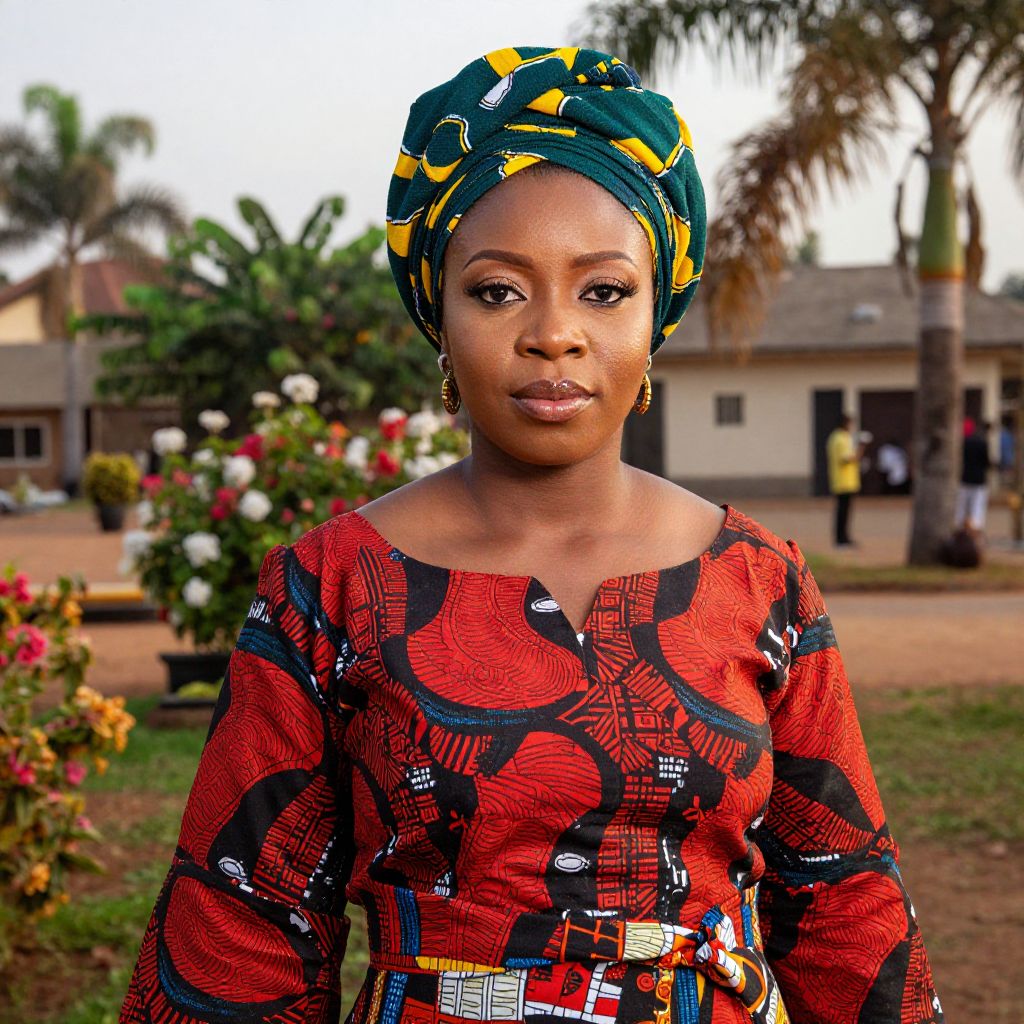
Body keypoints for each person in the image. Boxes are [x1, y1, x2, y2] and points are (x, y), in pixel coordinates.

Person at [120, 46, 943, 1024]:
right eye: (498, 290)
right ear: (439, 312)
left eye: (603, 290)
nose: (553, 333)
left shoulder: (761, 582)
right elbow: (241, 927)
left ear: (656, 313)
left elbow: (845, 904)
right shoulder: (327, 584)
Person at [825, 413, 866, 547]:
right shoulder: (840, 439)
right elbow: (846, 459)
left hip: (845, 480)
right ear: (845, 424)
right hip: (844, 481)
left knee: (844, 511)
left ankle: (843, 537)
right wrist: (861, 449)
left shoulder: (837, 437)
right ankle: (841, 538)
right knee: (843, 512)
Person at [956, 418, 993, 534]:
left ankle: (960, 529)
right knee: (977, 506)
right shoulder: (982, 443)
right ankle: (975, 530)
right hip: (979, 480)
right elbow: (986, 462)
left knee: (961, 506)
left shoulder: (961, 443)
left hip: (964, 478)